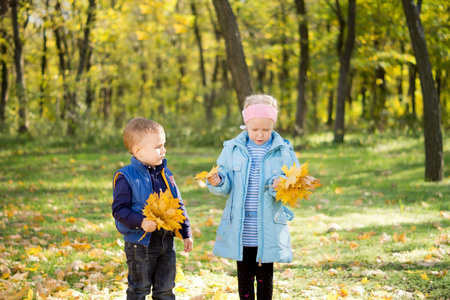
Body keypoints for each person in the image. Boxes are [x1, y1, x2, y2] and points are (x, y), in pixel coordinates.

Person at [206, 94, 299, 300]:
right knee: (245, 275)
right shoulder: (233, 149)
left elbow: (295, 180)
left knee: (265, 276)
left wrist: (282, 185)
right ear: (246, 124)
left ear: (273, 125)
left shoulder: (283, 150)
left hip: (267, 226)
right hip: (241, 227)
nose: (260, 134)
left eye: (266, 129)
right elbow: (225, 178)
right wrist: (218, 181)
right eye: (254, 129)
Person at [112, 117, 193, 300]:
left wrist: (185, 231)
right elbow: (119, 210)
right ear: (138, 151)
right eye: (158, 147)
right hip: (140, 243)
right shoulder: (126, 177)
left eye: (164, 145)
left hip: (166, 241)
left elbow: (177, 204)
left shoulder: (166, 174)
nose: (164, 150)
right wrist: (141, 222)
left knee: (165, 289)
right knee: (139, 289)